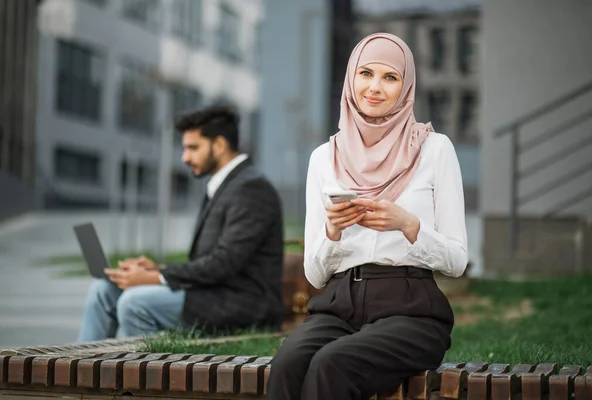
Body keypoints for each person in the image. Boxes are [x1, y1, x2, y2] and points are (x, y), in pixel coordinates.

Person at [267, 33, 469, 400]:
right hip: (337, 304)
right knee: (286, 365)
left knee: (333, 364)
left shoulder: (434, 150)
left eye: (390, 77)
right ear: (350, 79)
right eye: (365, 74)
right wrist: (332, 230)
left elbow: (457, 260)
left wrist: (408, 225)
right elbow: (314, 274)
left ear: (405, 86)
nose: (374, 87)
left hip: (411, 308)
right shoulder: (324, 158)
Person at [77, 106, 284, 341]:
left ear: (219, 145)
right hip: (210, 292)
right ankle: (78, 373)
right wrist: (157, 269)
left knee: (135, 303)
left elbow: (224, 263)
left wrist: (157, 277)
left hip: (242, 304)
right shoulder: (225, 185)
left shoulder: (251, 188)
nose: (185, 157)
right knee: (104, 291)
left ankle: (148, 373)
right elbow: (210, 262)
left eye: (193, 148)